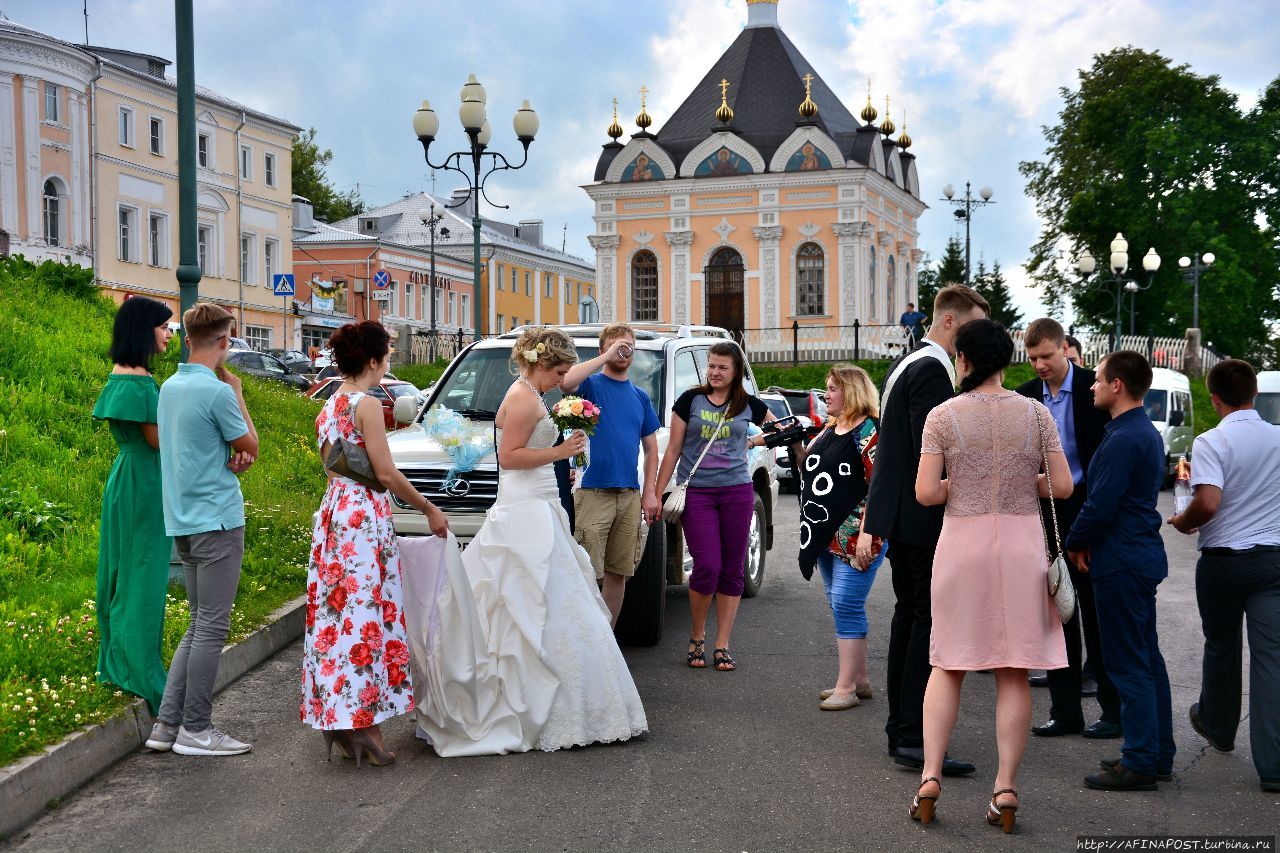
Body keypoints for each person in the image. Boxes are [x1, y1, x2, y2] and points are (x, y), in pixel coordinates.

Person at [411, 327, 647, 755]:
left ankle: (574, 702)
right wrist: (560, 452)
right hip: (524, 510)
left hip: (542, 506)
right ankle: (521, 704)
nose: (563, 380)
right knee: (525, 599)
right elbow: (511, 457)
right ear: (539, 364)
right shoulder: (522, 397)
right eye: (558, 371)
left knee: (561, 600)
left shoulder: (533, 394)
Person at [908, 319, 1071, 830]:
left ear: (964, 361)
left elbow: (927, 493)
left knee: (948, 663)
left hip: (964, 543)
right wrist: (1023, 479)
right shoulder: (1037, 413)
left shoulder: (943, 416)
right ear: (1005, 362)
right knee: (1014, 669)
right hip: (1022, 544)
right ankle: (1005, 789)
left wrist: (965, 480)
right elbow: (1062, 487)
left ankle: (930, 778)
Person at [300, 322, 449, 767]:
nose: (389, 361)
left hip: (336, 514)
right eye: (386, 354)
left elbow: (335, 470)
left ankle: (343, 722)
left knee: (338, 617)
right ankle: (363, 724)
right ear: (372, 361)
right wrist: (426, 507)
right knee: (365, 615)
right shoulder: (365, 404)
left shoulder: (329, 406)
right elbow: (384, 473)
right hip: (364, 519)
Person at [864, 283, 989, 776]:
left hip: (900, 514)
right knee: (923, 624)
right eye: (976, 324)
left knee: (910, 619)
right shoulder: (934, 369)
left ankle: (903, 731)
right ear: (953, 321)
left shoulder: (909, 361)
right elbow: (929, 451)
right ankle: (913, 735)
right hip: (920, 517)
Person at [144, 303, 259, 757]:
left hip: (183, 521)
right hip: (218, 519)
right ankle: (196, 728)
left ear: (187, 336)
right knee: (211, 627)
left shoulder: (169, 387)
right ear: (225, 340)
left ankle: (167, 725)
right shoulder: (218, 392)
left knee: (197, 625)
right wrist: (238, 392)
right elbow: (250, 443)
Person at [1168, 359, 1280, 793]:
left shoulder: (1212, 440)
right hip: (1272, 560)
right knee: (1271, 658)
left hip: (1223, 561)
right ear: (1253, 393)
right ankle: (1272, 766)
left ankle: (1219, 725)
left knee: (1222, 646)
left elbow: (1208, 503)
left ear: (1214, 399)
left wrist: (1182, 520)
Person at [1065, 351, 1174, 791]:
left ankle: (1142, 760)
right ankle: (1155, 752)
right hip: (1135, 556)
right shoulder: (1137, 431)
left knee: (1128, 662)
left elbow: (1101, 503)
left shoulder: (1125, 438)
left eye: (1098, 379)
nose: (1091, 385)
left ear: (1117, 386)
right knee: (1146, 659)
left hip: (1121, 560)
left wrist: (1073, 541)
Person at [1016, 318, 1121, 739]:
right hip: (1046, 512)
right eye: (1032, 358)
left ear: (1065, 349)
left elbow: (1105, 455)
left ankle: (1112, 712)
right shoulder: (1024, 398)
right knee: (1057, 613)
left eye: (1046, 356)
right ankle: (1065, 711)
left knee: (1097, 615)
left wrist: (1094, 522)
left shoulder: (1092, 389)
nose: (1040, 365)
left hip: (1090, 509)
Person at [656, 341, 774, 672]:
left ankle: (722, 643)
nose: (715, 372)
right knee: (707, 566)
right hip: (699, 494)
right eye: (711, 365)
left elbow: (781, 428)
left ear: (735, 372)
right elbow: (673, 450)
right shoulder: (690, 400)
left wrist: (754, 440)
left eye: (722, 367)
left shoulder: (747, 404)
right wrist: (654, 492)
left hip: (737, 492)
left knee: (733, 569)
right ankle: (697, 637)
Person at [93, 296, 174, 714]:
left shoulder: (117, 375)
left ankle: (118, 660)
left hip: (124, 477)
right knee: (144, 573)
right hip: (146, 481)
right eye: (163, 326)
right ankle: (142, 669)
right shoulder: (141, 381)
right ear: (145, 329)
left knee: (121, 570)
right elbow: (159, 441)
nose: (167, 333)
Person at [794, 364, 887, 710]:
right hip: (824, 534)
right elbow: (811, 468)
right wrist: (793, 445)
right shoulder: (831, 428)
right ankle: (859, 680)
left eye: (832, 388)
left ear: (851, 392)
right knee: (839, 602)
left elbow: (879, 486)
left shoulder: (869, 431)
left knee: (846, 603)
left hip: (854, 535)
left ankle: (845, 687)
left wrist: (869, 534)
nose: (826, 395)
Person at [561, 323, 661, 626]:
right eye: (617, 344)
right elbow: (566, 383)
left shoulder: (641, 397)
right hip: (593, 491)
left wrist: (650, 494)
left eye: (629, 345)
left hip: (628, 494)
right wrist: (606, 357)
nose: (624, 350)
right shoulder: (591, 384)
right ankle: (586, 643)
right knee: (589, 572)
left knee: (619, 572)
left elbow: (652, 451)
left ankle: (607, 644)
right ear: (603, 348)